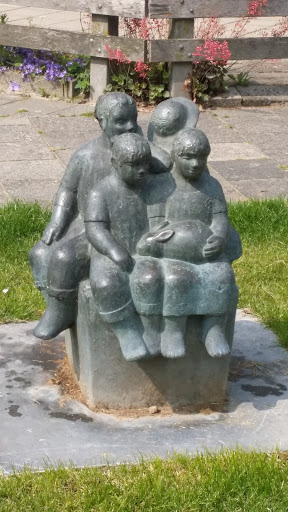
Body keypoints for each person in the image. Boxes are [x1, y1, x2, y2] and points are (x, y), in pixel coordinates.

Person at [29, 93, 171, 341]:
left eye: (133, 119)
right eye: (120, 121)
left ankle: (62, 310)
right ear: (100, 121)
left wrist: (140, 141)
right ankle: (60, 308)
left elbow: (165, 162)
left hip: (119, 227)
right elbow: (68, 190)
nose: (128, 126)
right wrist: (57, 220)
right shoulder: (85, 155)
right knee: (40, 253)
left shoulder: (138, 153)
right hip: (85, 223)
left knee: (64, 257)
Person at [131, 128, 241, 359]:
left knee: (223, 276)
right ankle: (173, 330)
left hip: (206, 253)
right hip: (171, 253)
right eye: (188, 157)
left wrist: (219, 238)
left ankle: (213, 329)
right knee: (177, 278)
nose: (195, 163)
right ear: (175, 156)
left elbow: (220, 219)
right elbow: (157, 227)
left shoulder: (212, 187)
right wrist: (173, 246)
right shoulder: (162, 186)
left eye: (201, 157)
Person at [84, 133, 152, 361]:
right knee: (106, 283)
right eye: (134, 165)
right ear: (115, 164)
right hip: (109, 254)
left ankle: (156, 328)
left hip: (145, 250)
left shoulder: (150, 189)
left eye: (146, 164)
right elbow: (95, 229)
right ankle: (125, 330)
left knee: (156, 279)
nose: (142, 170)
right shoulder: (100, 192)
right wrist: (113, 250)